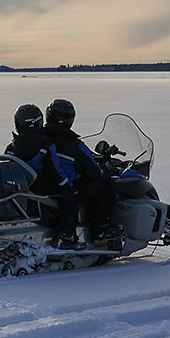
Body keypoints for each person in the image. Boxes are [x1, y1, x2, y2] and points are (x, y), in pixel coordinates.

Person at [44, 98, 119, 248]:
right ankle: (100, 229)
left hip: (43, 184)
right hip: (66, 187)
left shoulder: (40, 137)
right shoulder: (74, 145)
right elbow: (93, 171)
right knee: (106, 182)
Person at [4, 104, 80, 243]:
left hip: (22, 185)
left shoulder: (12, 147)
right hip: (40, 185)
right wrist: (66, 185)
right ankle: (67, 235)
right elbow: (55, 170)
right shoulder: (45, 145)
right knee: (71, 198)